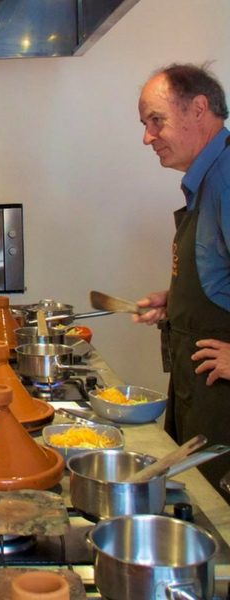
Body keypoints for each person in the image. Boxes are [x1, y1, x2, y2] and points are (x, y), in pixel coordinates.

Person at [134, 63, 230, 500]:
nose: (147, 137)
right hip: (199, 391)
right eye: (145, 124)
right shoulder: (207, 181)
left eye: (157, 120)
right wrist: (176, 301)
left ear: (198, 109)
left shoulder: (227, 180)